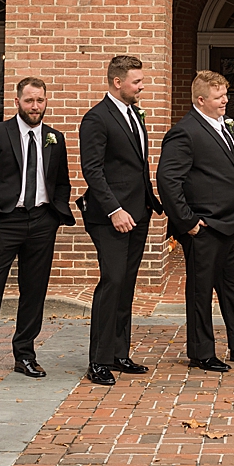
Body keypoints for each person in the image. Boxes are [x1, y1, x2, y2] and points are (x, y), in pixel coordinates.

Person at [0, 77, 73, 390]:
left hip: (41, 222)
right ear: (18, 101)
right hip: (4, 222)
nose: (35, 107)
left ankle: (25, 355)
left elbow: (61, 182)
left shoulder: (54, 139)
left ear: (46, 101)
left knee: (34, 292)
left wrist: (54, 216)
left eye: (40, 101)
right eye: (30, 101)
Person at [156, 70, 234, 371]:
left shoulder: (227, 127)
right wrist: (189, 222)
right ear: (200, 99)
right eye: (219, 97)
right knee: (200, 291)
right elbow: (168, 181)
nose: (226, 101)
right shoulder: (185, 131)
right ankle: (201, 352)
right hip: (205, 227)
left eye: (226, 95)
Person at [78, 55, 163, 386]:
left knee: (126, 284)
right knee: (111, 282)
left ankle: (118, 353)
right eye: (137, 81)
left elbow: (136, 166)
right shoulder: (96, 119)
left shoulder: (134, 114)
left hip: (138, 212)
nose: (142, 86)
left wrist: (148, 202)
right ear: (117, 82)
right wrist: (114, 209)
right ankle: (98, 360)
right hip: (110, 217)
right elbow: (93, 170)